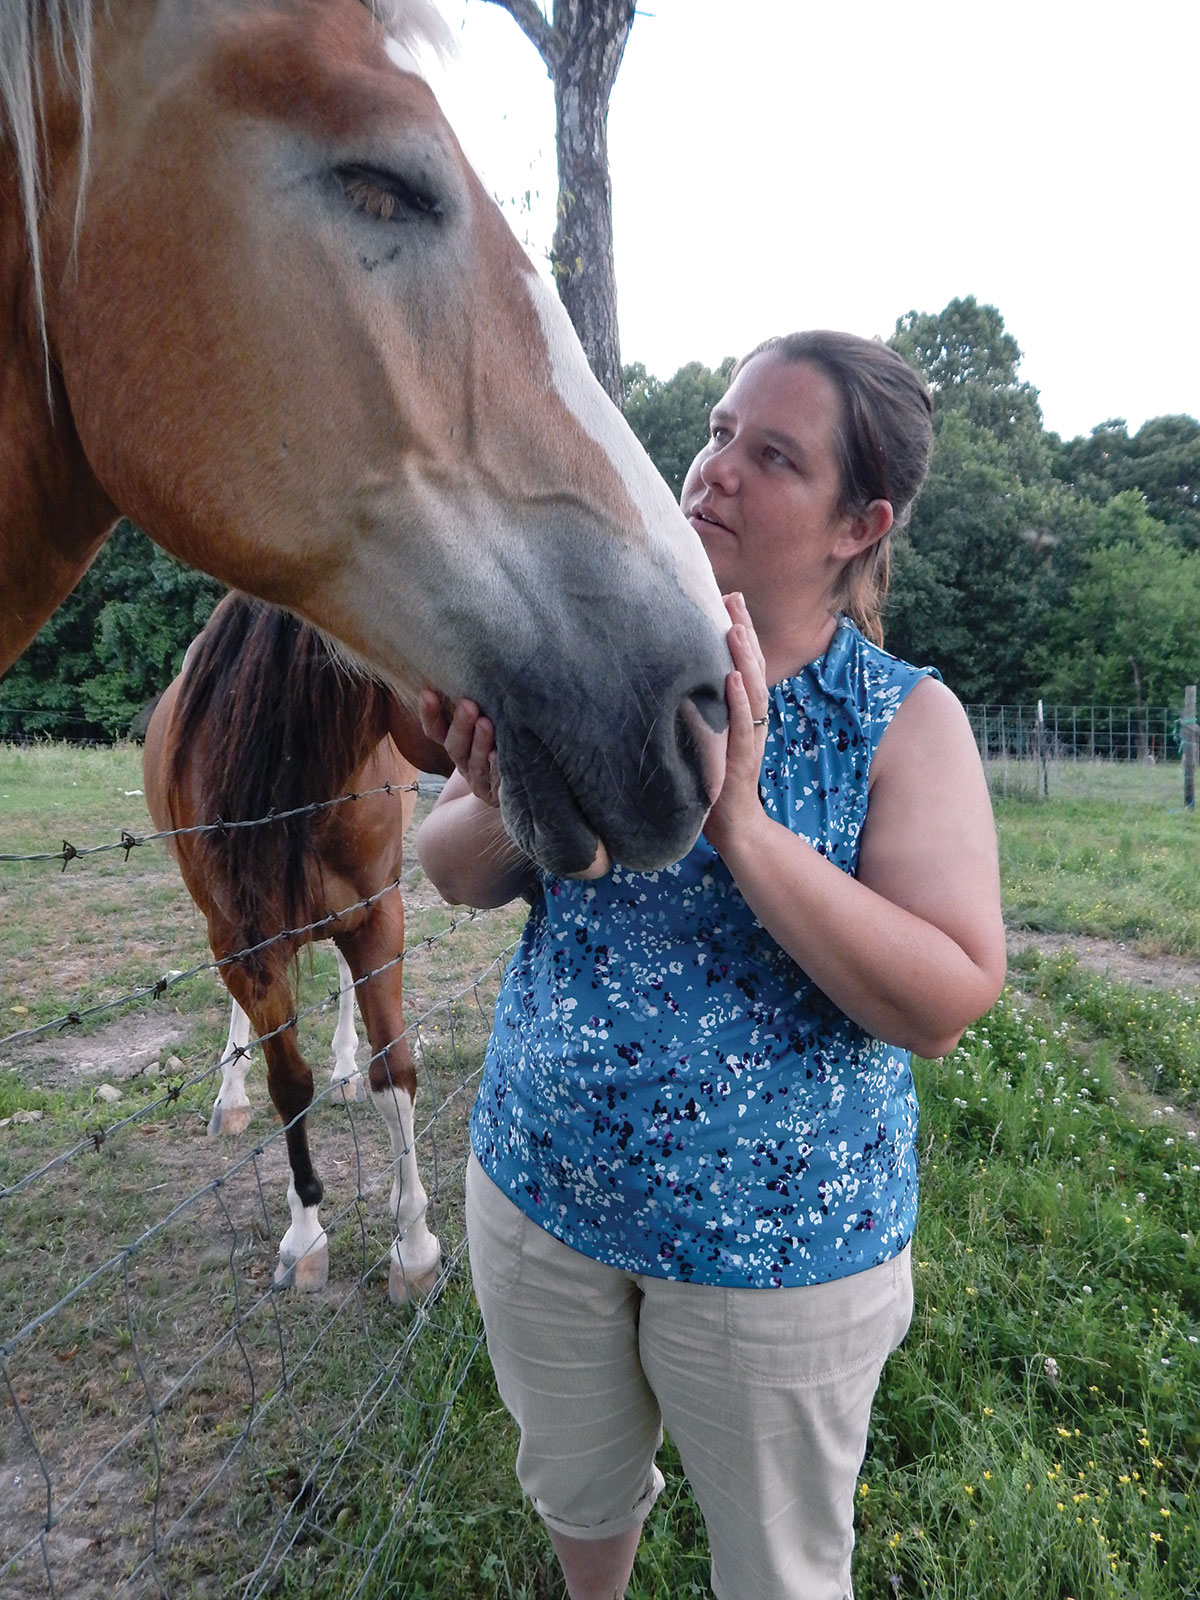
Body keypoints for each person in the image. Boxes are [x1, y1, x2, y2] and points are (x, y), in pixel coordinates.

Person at [415, 330, 1006, 1600]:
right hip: (541, 1200)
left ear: (862, 522)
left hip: (781, 1262)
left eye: (775, 455)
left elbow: (947, 994)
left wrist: (739, 824)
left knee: (778, 1574)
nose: (716, 468)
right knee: (578, 1500)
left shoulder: (901, 717)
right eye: (723, 432)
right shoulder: (597, 656)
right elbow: (456, 870)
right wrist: (499, 790)